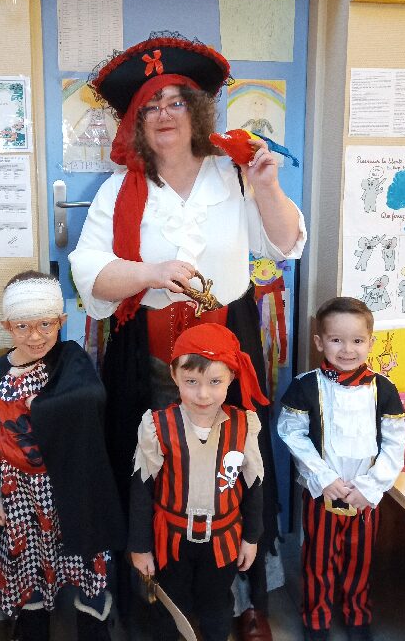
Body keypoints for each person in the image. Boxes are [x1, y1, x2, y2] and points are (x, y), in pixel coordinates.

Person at [69, 32, 306, 640]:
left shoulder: (235, 172)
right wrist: (150, 273)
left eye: (176, 101)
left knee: (237, 463)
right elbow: (90, 275)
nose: (164, 114)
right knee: (155, 472)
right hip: (148, 355)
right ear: (135, 122)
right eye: (150, 105)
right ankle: (158, 602)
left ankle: (242, 598)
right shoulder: (119, 191)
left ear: (196, 110)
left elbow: (286, 243)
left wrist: (268, 186)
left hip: (229, 345)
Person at [0, 271, 125, 641]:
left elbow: (92, 398)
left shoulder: (70, 360)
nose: (35, 336)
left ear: (61, 321)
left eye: (46, 324)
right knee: (28, 561)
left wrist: (42, 406)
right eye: (23, 326)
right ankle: (32, 628)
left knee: (84, 558)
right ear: (7, 326)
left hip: (69, 487)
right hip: (19, 493)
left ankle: (93, 626)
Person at [277, 297, 405, 641]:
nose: (347, 349)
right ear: (320, 342)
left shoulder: (384, 389)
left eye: (357, 340)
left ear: (370, 343)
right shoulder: (305, 386)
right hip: (323, 493)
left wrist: (370, 486)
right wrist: (323, 478)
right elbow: (292, 433)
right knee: (318, 561)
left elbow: (395, 444)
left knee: (359, 562)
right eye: (336, 339)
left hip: (365, 496)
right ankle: (316, 619)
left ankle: (357, 616)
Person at [129, 324, 265, 641]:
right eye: (191, 382)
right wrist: (140, 547)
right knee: (170, 609)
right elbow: (141, 490)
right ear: (174, 376)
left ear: (231, 377)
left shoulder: (244, 425)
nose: (203, 394)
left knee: (216, 607)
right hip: (172, 541)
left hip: (223, 541)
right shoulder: (157, 426)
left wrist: (252, 537)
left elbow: (254, 486)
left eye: (215, 382)